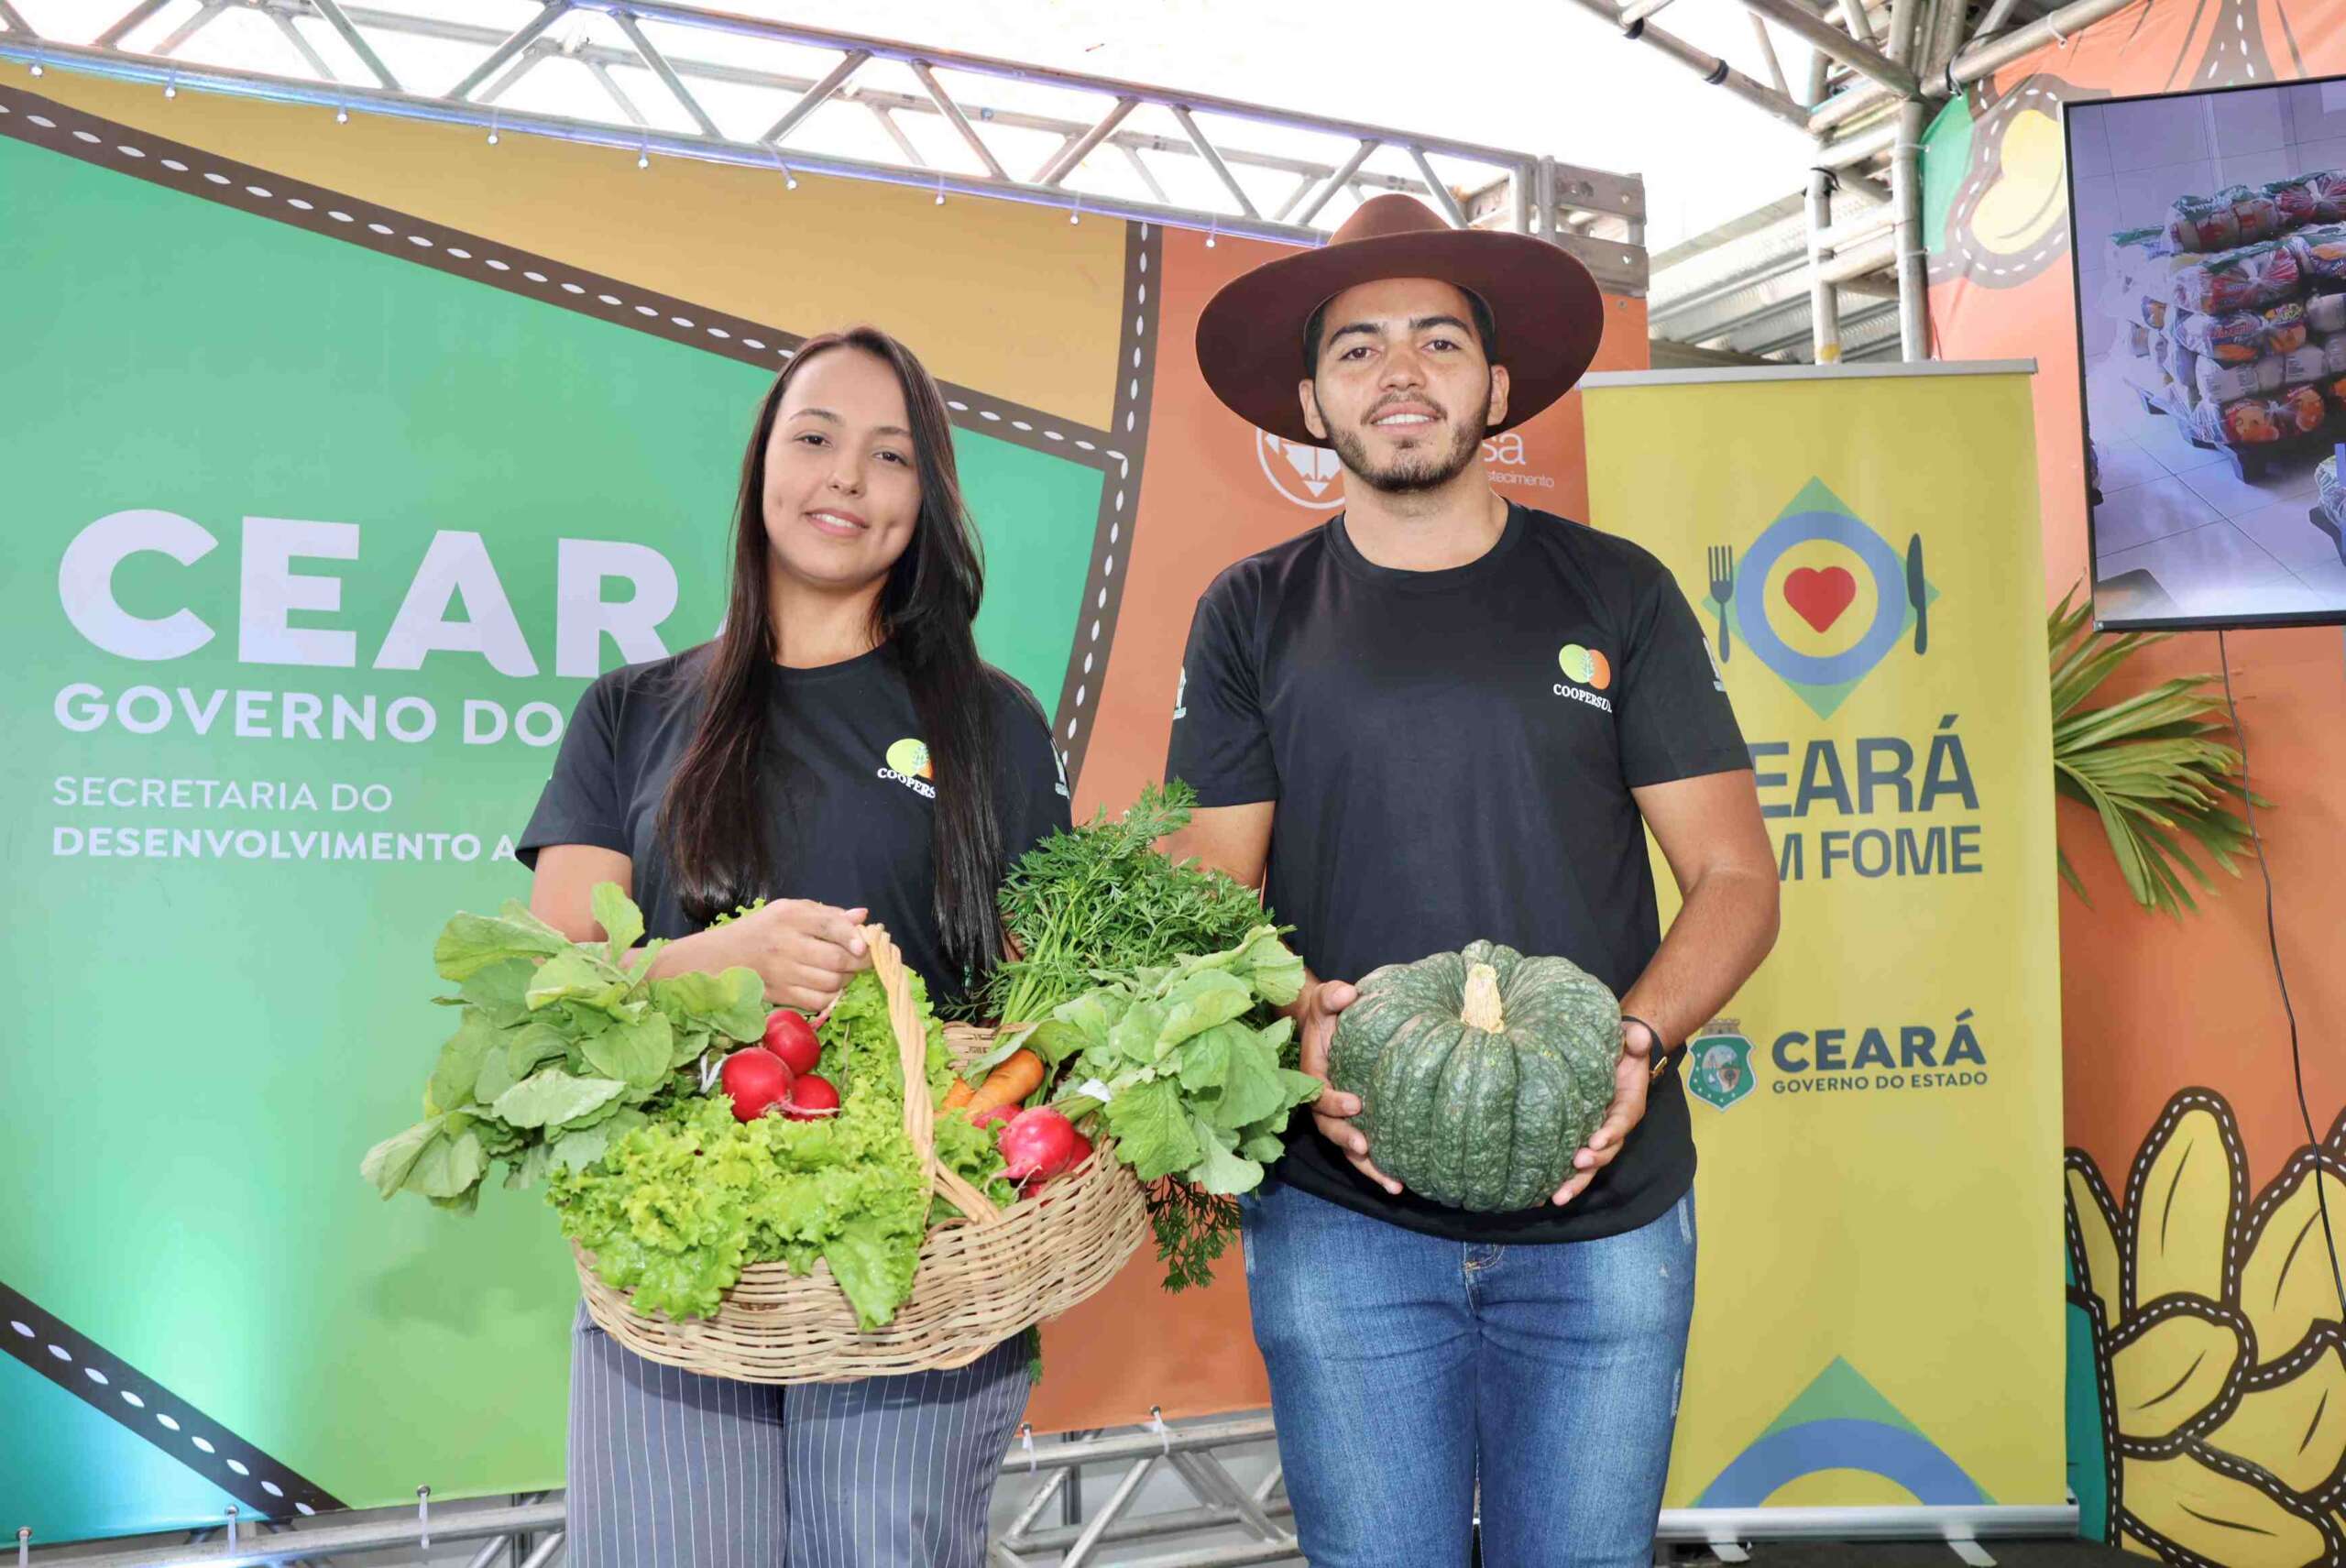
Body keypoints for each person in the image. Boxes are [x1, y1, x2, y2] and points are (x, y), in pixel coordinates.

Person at [1163, 195, 1781, 1568]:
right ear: (1311, 405)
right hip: (1341, 1214)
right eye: (1358, 348)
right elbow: (1210, 894)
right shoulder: (1250, 613)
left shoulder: (1618, 592)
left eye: (1438, 341)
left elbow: (1737, 877)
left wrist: (1634, 1042)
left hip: (1603, 1214)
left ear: (1496, 388)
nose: (1400, 372)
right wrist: (1288, 1019)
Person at [516, 325, 1071, 1567]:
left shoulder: (992, 722)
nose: (847, 478)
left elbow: (1047, 1006)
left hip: (912, 1264)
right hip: (677, 1259)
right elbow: (548, 993)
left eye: (892, 455)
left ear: (926, 501)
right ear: (763, 462)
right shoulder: (630, 712)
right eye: (816, 438)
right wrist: (721, 965)